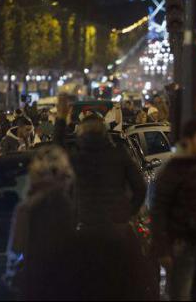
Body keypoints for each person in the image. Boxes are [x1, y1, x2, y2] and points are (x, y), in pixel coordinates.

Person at [54, 96, 150, 300]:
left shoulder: (76, 157)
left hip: (85, 229)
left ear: (81, 133)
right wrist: (127, 213)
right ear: (104, 133)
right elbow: (140, 188)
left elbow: (56, 150)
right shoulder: (119, 154)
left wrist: (61, 119)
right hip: (116, 229)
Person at [151, 119, 196, 301]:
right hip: (180, 247)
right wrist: (163, 250)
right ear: (188, 141)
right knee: (180, 295)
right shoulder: (170, 172)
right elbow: (158, 213)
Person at [8, 145, 78, 300]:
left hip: (35, 282)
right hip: (65, 282)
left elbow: (17, 246)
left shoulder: (27, 207)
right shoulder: (69, 204)